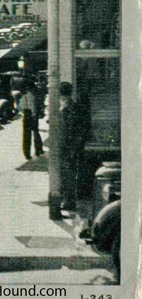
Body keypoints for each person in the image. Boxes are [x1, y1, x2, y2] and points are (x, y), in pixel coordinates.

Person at [60, 82, 83, 211]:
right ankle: (67, 199)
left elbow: (66, 128)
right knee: (69, 173)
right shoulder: (71, 105)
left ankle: (68, 200)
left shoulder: (66, 107)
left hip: (67, 145)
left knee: (67, 174)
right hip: (71, 145)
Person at [20, 79, 44, 160]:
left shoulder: (24, 94)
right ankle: (38, 149)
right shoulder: (33, 94)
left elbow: (20, 106)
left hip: (27, 114)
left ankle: (27, 153)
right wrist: (34, 115)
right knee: (35, 132)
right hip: (32, 115)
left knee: (26, 135)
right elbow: (33, 105)